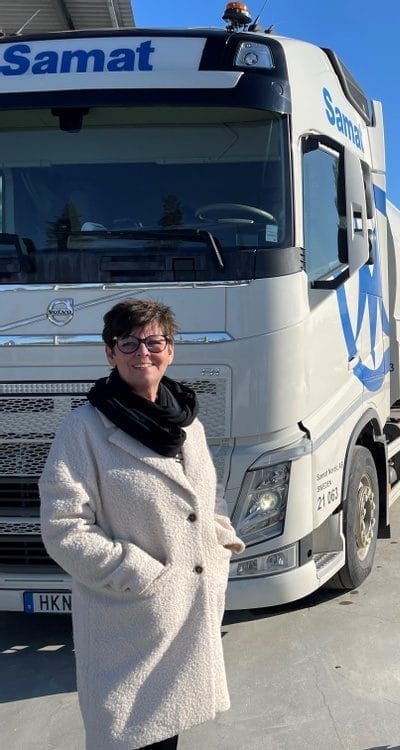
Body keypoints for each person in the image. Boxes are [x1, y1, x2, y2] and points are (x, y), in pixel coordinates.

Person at [39, 298, 244, 750]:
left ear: (170, 349)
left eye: (154, 341)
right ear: (110, 353)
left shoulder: (187, 423)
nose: (142, 353)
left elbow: (207, 495)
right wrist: (138, 572)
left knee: (168, 734)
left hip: (187, 615)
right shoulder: (85, 428)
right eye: (128, 342)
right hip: (130, 621)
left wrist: (219, 540)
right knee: (127, 735)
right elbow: (62, 527)